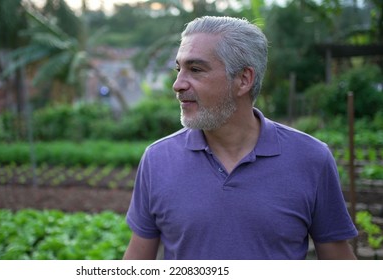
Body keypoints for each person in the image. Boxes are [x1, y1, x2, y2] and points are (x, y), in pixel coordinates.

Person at [123, 16, 358, 260]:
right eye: (178, 69)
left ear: (244, 79)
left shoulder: (311, 159)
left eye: (195, 69)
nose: (178, 84)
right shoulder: (158, 159)